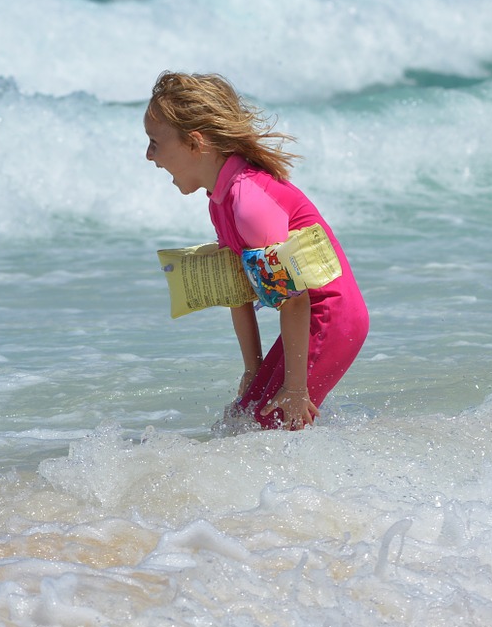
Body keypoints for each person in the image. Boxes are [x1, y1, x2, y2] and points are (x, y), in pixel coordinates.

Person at [144, 72, 369, 430]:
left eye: (154, 142)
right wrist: (253, 368)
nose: (149, 155)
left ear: (194, 143)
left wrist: (296, 388)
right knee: (241, 421)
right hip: (307, 319)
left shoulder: (248, 201)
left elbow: (294, 299)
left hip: (328, 317)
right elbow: (237, 291)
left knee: (269, 427)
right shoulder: (220, 200)